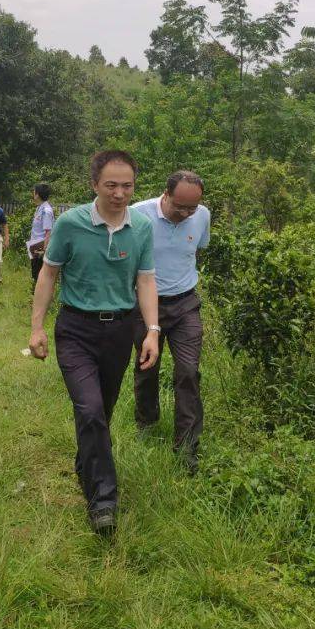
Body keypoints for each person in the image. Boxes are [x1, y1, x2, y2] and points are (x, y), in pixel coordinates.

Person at [29, 151, 160, 536]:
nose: (120, 193)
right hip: (76, 329)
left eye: (127, 186)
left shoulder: (141, 227)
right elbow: (49, 274)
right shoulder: (70, 224)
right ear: (94, 185)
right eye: (111, 185)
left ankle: (87, 464)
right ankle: (104, 501)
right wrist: (37, 327)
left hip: (120, 331)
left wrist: (152, 330)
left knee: (101, 410)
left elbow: (146, 280)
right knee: (89, 410)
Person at [130, 171, 210, 475]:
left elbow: (196, 249)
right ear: (165, 194)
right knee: (147, 367)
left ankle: (187, 447)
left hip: (186, 303)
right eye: (180, 207)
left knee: (188, 372)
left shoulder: (202, 216)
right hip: (145, 306)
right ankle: (146, 423)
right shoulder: (139, 216)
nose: (186, 214)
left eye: (192, 208)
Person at [26, 182, 55, 287]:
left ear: (37, 194)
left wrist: (44, 250)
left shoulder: (46, 211)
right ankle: (34, 295)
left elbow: (48, 232)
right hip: (34, 245)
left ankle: (37, 296)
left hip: (40, 246)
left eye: (34, 191)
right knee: (34, 272)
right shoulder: (39, 208)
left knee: (39, 273)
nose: (33, 193)